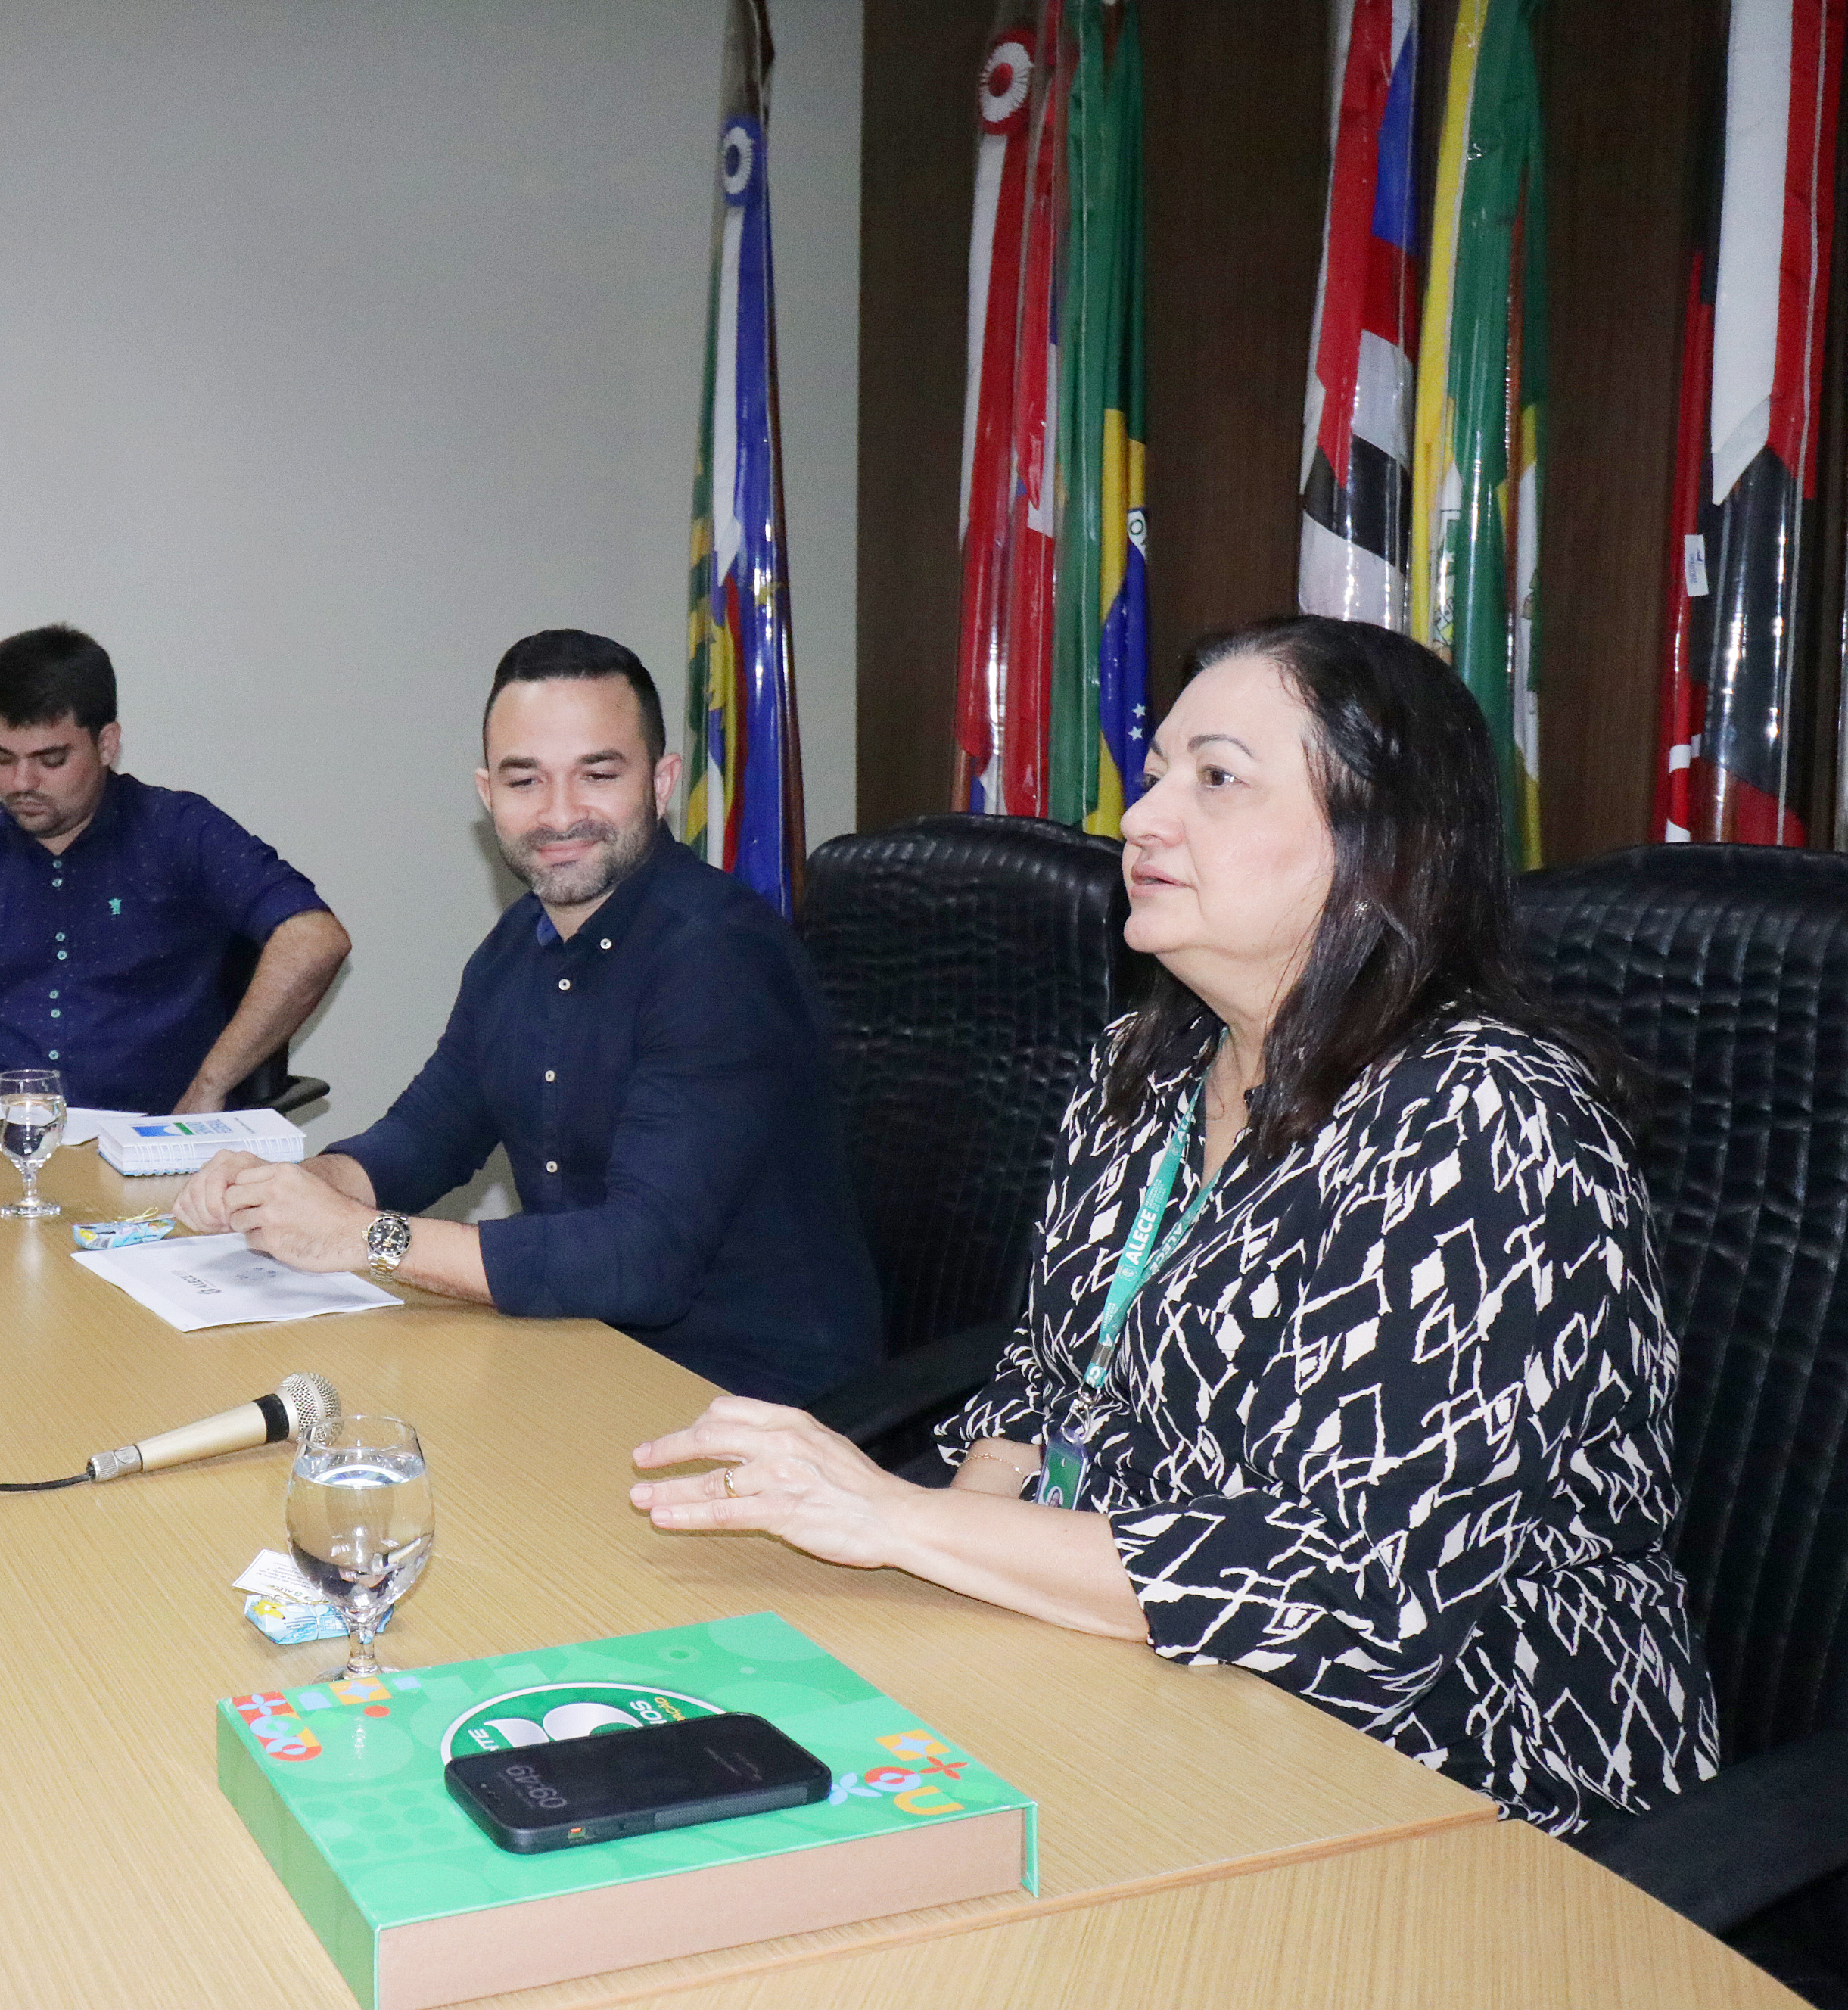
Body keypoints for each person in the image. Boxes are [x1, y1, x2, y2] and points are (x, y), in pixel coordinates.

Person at [631, 616, 1720, 1837]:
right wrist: (935, 1579)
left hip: (1464, 1773)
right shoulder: (1142, 1068)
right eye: (1154, 776)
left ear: (1382, 843)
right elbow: (1040, 1382)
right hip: (1142, 1679)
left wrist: (899, 1518)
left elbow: (1352, 1598)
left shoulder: (1484, 1124)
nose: (1142, 819)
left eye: (1216, 780)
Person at [176, 629, 882, 1403]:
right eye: (526, 781)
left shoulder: (720, 956)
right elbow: (423, 1139)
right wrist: (289, 1190)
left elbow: (642, 1260)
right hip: (581, 1352)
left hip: (752, 1398)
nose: (560, 813)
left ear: (662, 783)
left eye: (598, 774)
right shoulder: (516, 945)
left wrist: (364, 1237)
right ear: (488, 797)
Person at [0, 624, 350, 1116]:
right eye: (2, 758)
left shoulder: (179, 833)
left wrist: (211, 1087)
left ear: (107, 744)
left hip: (155, 1144)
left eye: (51, 760)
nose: (21, 783)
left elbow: (314, 939)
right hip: (6, 1149)